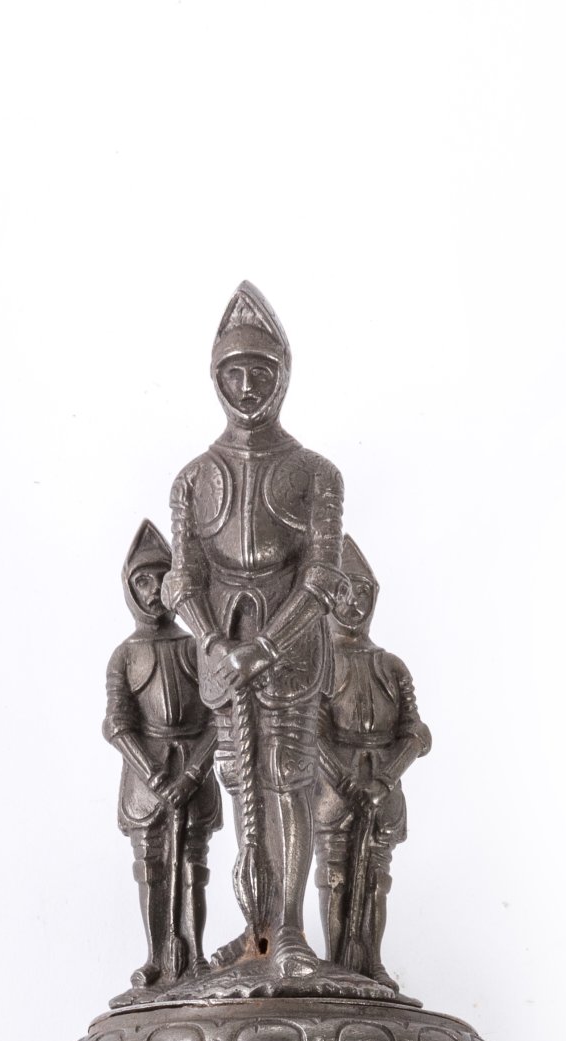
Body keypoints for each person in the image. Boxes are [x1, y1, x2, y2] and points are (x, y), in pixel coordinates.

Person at [163, 284, 348, 981]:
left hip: (289, 651)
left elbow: (322, 576)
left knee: (287, 780)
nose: (247, 387)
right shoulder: (193, 480)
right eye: (234, 373)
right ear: (216, 378)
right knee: (243, 783)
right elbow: (182, 579)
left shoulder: (314, 474)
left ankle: (289, 930)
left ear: (283, 376)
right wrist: (216, 644)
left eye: (260, 373)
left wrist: (266, 648)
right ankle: (256, 932)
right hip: (223, 650)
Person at [103, 520, 219, 987]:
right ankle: (156, 956)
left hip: (193, 767)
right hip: (145, 774)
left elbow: (218, 717)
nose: (153, 591)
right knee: (150, 868)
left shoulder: (196, 647)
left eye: (161, 579)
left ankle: (195, 953)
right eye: (143, 582)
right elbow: (117, 724)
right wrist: (152, 773)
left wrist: (192, 773)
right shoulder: (124, 656)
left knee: (193, 867)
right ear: (129, 590)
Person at [314, 538, 431, 988]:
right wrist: (341, 778)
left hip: (383, 783)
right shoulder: (319, 664)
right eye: (345, 592)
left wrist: (386, 777)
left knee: (377, 877)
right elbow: (310, 731)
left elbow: (415, 732)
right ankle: (337, 962)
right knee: (335, 875)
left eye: (362, 593)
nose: (354, 603)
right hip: (333, 787)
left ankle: (372, 963)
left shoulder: (391, 666)